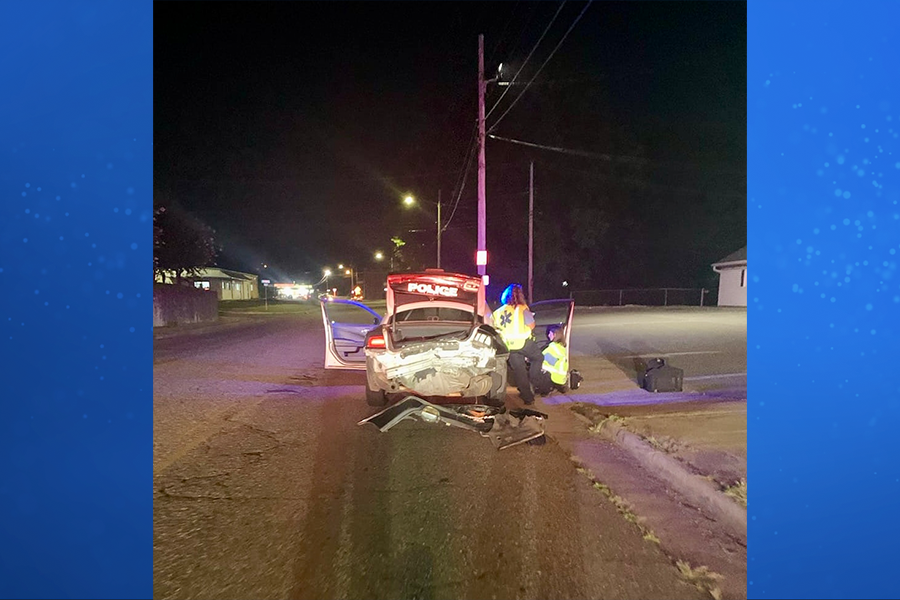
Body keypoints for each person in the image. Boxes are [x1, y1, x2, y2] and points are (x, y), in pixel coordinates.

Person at [492, 283, 543, 405]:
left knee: (519, 371)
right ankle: (534, 380)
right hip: (524, 343)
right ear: (520, 295)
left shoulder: (497, 312)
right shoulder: (522, 308)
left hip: (509, 346)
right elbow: (531, 325)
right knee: (538, 358)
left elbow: (494, 328)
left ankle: (528, 398)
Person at [535, 325, 569, 396]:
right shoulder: (561, 346)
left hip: (554, 377)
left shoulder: (552, 347)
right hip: (561, 378)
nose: (548, 335)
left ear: (554, 334)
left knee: (534, 367)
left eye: (550, 333)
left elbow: (540, 357)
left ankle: (546, 389)